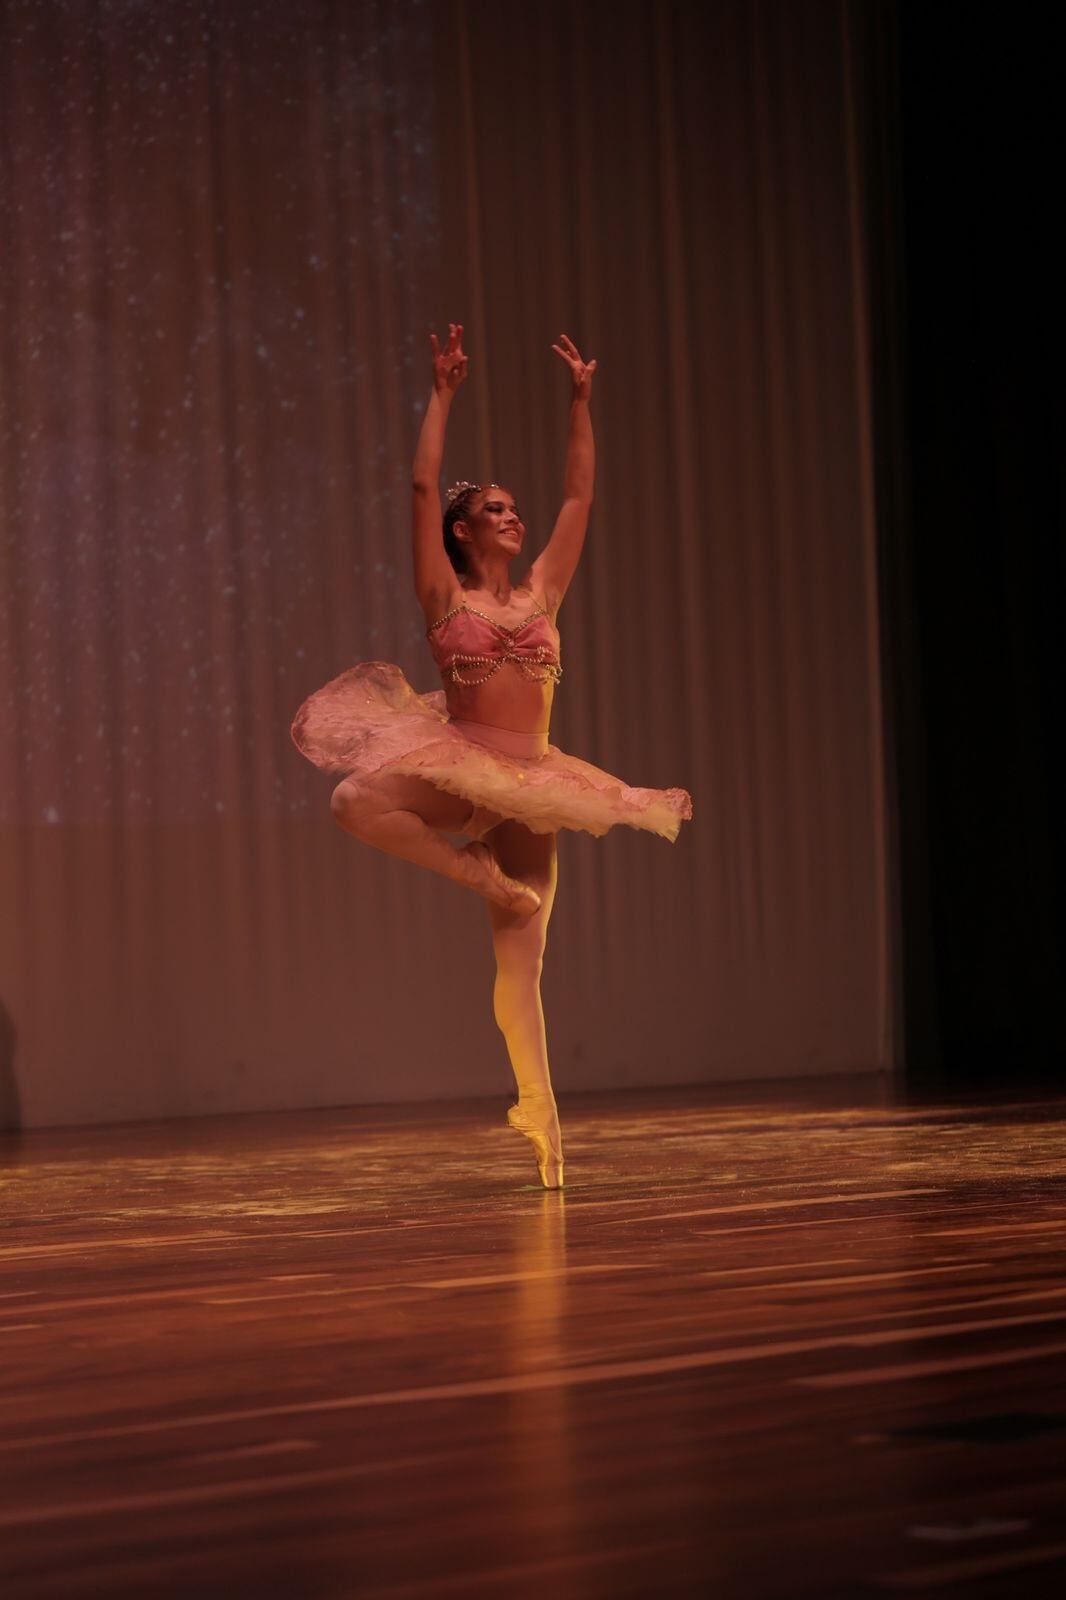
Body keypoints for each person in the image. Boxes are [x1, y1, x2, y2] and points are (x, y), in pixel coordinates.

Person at [291, 323, 692, 1188]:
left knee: (524, 961)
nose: (514, 517)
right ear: (463, 534)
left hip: (537, 782)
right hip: (461, 765)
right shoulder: (443, 593)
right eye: (496, 510)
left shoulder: (545, 589)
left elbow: (580, 500)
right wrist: (443, 392)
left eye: (515, 509)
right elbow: (420, 481)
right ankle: (469, 871)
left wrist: (581, 405)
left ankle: (546, 1130)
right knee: (354, 799)